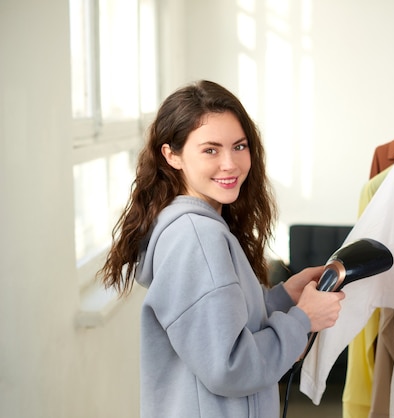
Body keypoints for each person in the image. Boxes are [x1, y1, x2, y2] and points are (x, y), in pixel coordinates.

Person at [97, 80, 345, 418]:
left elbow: (221, 323)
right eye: (210, 150)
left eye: (239, 147)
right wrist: (303, 320)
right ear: (172, 155)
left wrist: (285, 296)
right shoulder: (197, 239)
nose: (230, 164)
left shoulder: (198, 227)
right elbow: (230, 366)